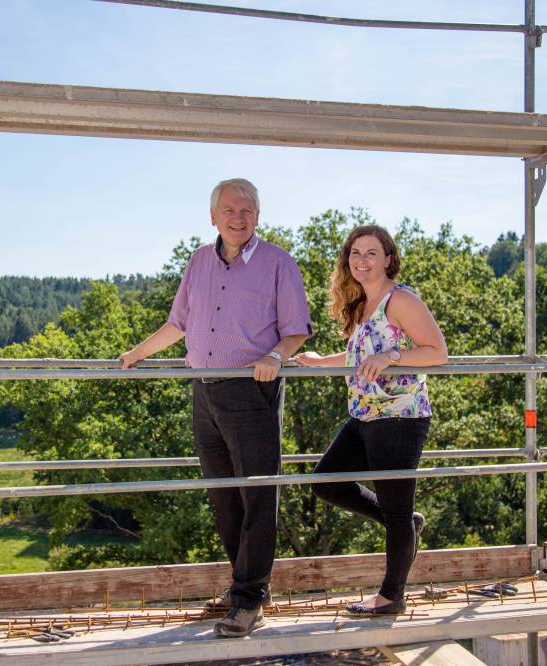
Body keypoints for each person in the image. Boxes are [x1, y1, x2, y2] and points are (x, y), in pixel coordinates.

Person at [119, 178, 311, 637]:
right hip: (203, 391)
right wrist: (136, 354)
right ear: (213, 216)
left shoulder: (278, 263)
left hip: (251, 390)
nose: (238, 217)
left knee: (257, 497)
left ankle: (249, 600)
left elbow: (297, 330)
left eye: (247, 210)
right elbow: (178, 323)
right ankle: (242, 585)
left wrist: (274, 357)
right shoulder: (199, 261)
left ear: (258, 216)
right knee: (224, 498)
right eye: (229, 210)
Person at [295, 224, 447, 615]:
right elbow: (361, 357)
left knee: (395, 509)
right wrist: (321, 361)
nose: (361, 261)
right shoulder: (363, 303)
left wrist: (392, 358)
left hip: (399, 417)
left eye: (371, 253)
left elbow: (436, 352)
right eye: (355, 253)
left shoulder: (400, 300)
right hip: (365, 415)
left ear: (388, 260)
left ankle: (391, 596)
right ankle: (406, 524)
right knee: (327, 482)